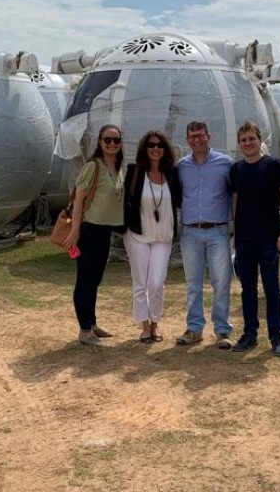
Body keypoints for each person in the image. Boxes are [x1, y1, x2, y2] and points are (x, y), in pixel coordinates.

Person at [230, 121, 280, 357]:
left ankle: (276, 337)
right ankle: (249, 334)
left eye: (251, 139)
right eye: (243, 140)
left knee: (271, 289)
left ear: (259, 140)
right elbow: (236, 202)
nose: (248, 143)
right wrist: (235, 234)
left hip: (269, 239)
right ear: (239, 144)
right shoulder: (236, 169)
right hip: (245, 239)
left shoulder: (273, 165)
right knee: (247, 288)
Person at [61, 124, 125, 346]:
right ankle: (84, 329)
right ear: (100, 142)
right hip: (90, 230)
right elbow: (78, 198)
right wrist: (76, 230)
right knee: (85, 280)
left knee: (95, 279)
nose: (112, 144)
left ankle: (92, 322)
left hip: (105, 230)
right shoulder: (93, 166)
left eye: (116, 140)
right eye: (108, 140)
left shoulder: (117, 167)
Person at [175, 121, 234, 348]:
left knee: (221, 282)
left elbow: (235, 194)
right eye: (192, 136)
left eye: (200, 135)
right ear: (187, 139)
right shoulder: (181, 167)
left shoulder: (225, 163)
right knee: (193, 283)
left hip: (218, 231)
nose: (197, 140)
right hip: (190, 232)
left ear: (209, 136)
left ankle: (222, 330)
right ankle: (194, 328)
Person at [123, 130, 182, 343]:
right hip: (138, 235)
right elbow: (123, 199)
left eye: (159, 145)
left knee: (156, 282)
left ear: (165, 149)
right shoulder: (135, 171)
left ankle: (155, 322)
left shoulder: (172, 173)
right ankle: (145, 327)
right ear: (144, 149)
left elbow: (182, 200)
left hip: (163, 236)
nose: (155, 149)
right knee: (140, 282)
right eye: (151, 145)